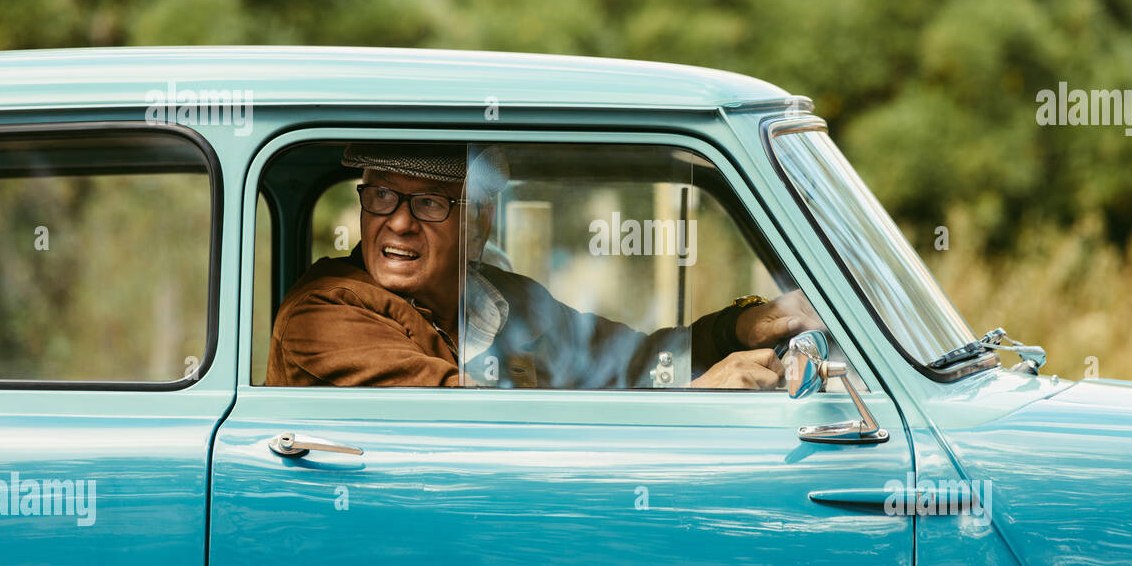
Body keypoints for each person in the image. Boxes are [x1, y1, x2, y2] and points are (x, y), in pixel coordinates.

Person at [265, 144, 821, 389]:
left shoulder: (507, 299)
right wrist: (699, 404)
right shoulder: (324, 314)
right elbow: (466, 426)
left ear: (479, 224)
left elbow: (627, 364)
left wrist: (739, 328)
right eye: (382, 195)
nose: (400, 222)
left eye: (431, 202)